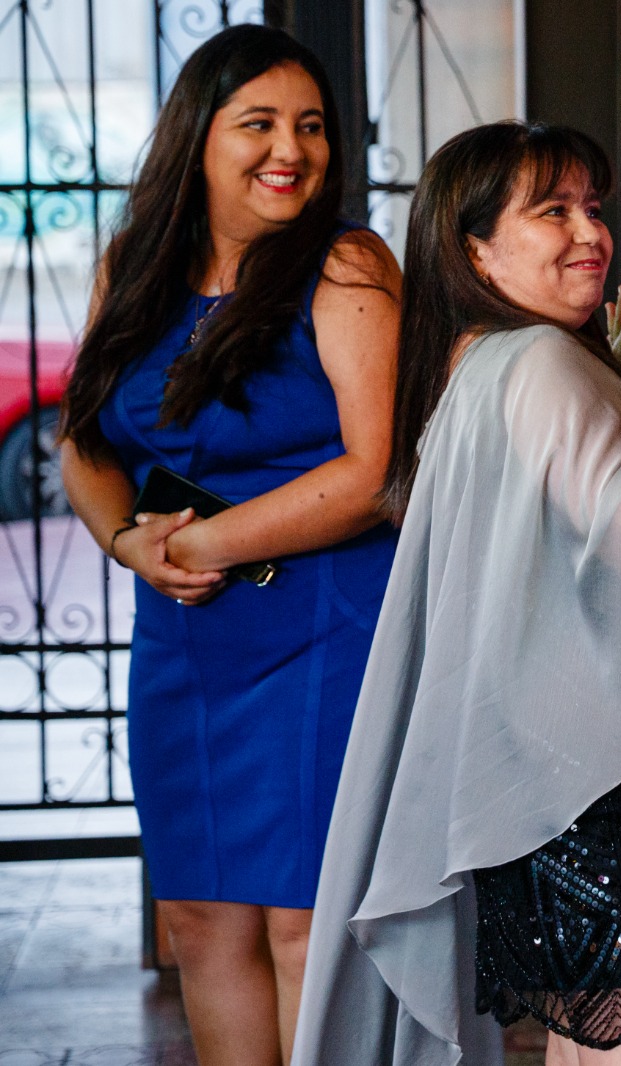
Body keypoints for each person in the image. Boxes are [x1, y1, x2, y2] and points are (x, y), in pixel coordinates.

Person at [292, 121, 621, 1066]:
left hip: (556, 782)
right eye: (552, 211)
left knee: (579, 1045)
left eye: (593, 207)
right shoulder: (539, 360)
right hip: (605, 790)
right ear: (475, 249)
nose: (589, 232)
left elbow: (555, 551)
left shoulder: (483, 360)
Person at [57, 24, 401, 1066]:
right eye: (259, 123)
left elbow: (371, 472)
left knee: (304, 921)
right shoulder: (133, 267)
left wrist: (203, 541)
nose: (290, 149)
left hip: (327, 625)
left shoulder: (347, 261)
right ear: (196, 137)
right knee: (200, 917)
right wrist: (129, 541)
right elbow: (85, 444)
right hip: (183, 635)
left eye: (311, 126)